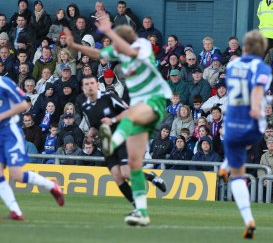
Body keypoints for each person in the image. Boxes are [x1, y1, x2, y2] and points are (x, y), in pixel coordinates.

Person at [65, 13, 172, 227]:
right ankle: (141, 212)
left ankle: (113, 141)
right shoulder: (118, 50)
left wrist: (108, 30)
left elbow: (131, 51)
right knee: (132, 166)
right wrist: (74, 45)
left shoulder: (141, 44)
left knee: (123, 122)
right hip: (140, 109)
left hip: (154, 101)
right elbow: (96, 53)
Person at [79, 75, 167, 209]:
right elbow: (95, 125)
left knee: (126, 173)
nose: (89, 87)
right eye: (86, 84)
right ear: (83, 88)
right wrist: (91, 133)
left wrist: (113, 120)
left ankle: (150, 177)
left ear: (97, 85)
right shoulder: (85, 106)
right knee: (117, 176)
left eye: (92, 83)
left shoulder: (108, 97)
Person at [220, 30, 273, 239]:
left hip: (231, 123)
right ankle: (227, 166)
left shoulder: (232, 65)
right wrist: (254, 106)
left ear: (244, 47)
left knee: (238, 174)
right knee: (245, 144)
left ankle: (248, 219)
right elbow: (258, 88)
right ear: (262, 49)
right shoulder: (261, 67)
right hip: (253, 123)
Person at [0, 76, 64, 220]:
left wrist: (2, 116)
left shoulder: (4, 82)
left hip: (10, 133)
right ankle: (15, 211)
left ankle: (51, 185)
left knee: (16, 175)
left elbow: (24, 104)